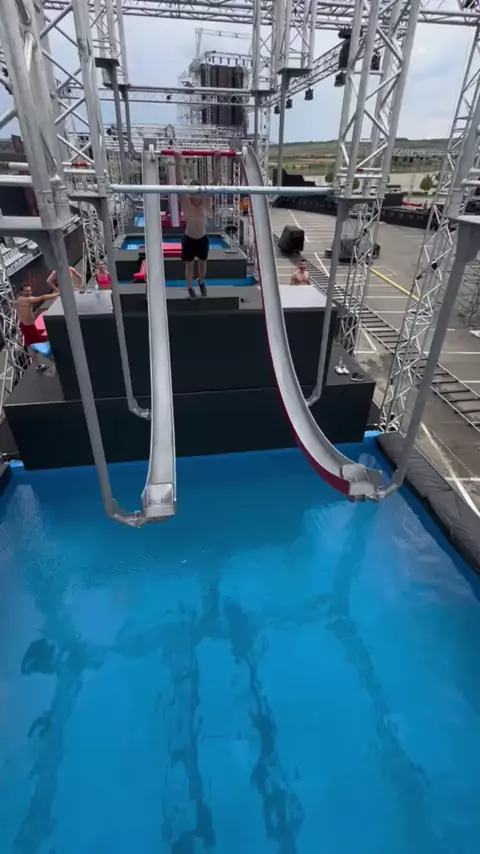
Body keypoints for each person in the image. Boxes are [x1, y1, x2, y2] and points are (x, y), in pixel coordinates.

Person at [174, 150, 222, 299]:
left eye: (198, 194)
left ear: (202, 193)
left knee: (202, 265)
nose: (195, 198)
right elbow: (179, 182)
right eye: (192, 194)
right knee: (189, 266)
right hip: (189, 239)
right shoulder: (186, 202)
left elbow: (215, 181)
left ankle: (201, 282)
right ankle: (190, 287)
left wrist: (218, 161)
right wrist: (177, 160)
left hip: (202, 239)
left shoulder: (206, 201)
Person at [15, 282, 59, 371]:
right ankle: (57, 363)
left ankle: (38, 366)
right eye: (27, 291)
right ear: (21, 292)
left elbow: (17, 309)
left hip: (25, 326)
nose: (29, 293)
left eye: (30, 291)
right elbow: (42, 297)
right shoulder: (27, 300)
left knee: (30, 346)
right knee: (42, 346)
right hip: (29, 328)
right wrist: (57, 294)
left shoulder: (18, 300)